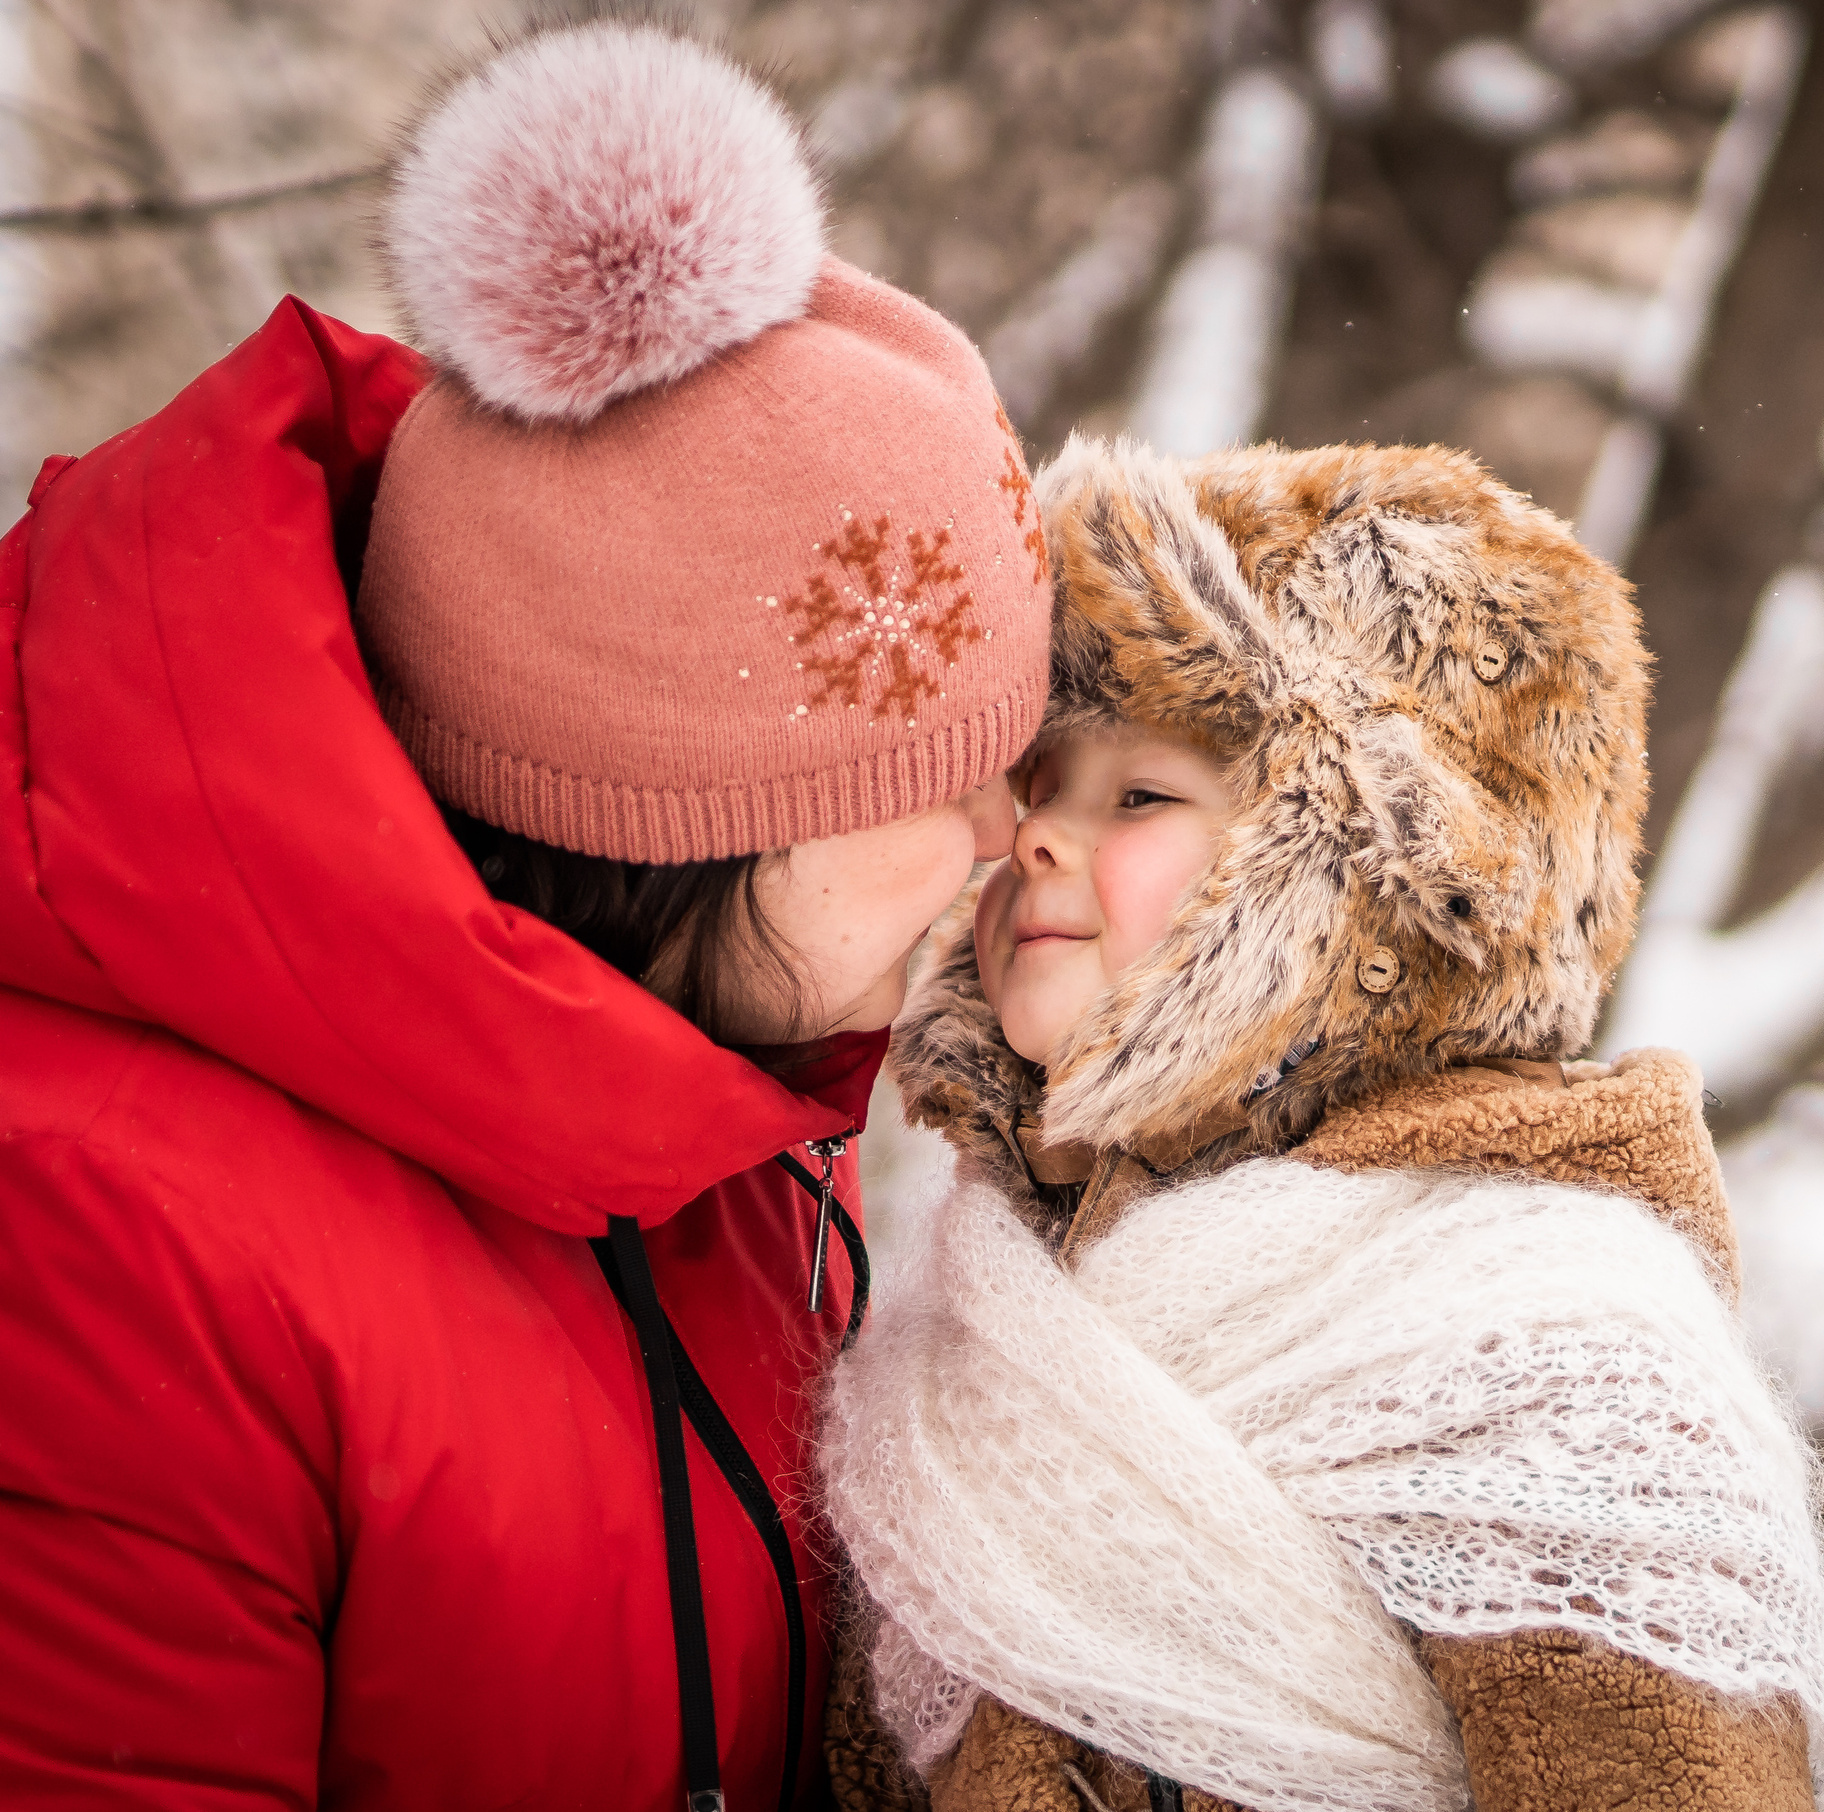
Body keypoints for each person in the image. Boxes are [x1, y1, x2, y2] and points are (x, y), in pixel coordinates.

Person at [0, 23, 1047, 1811]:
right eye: (939, 779)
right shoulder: (104, 1247)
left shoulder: (725, 1109)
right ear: (683, 823)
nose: (1010, 841)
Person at [819, 438, 1824, 1812]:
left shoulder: (1548, 1359)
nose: (1033, 838)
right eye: (1039, 785)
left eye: (1138, 795)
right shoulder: (964, 1313)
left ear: (1354, 882)